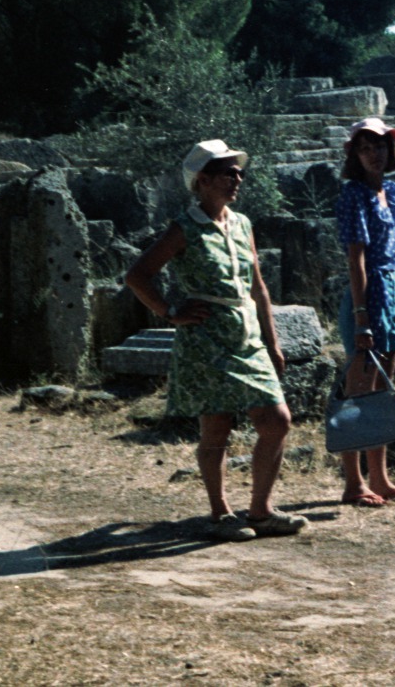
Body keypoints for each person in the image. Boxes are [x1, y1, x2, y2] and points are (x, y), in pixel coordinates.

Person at [125, 140, 307, 541]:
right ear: (202, 181)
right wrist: (169, 312)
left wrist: (272, 341)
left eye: (238, 172)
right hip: (205, 339)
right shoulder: (184, 227)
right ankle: (221, 513)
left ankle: (260, 510)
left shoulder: (241, 224)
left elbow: (258, 286)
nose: (236, 179)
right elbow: (138, 275)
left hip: (247, 336)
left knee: (277, 421)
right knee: (217, 428)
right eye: (227, 172)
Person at [335, 117, 395, 508]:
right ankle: (354, 482)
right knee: (359, 388)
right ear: (356, 154)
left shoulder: (394, 191)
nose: (375, 153)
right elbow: (356, 261)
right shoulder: (353, 195)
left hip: (390, 290)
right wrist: (361, 315)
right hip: (366, 293)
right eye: (366, 147)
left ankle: (381, 479)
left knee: (382, 386)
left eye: (381, 145)